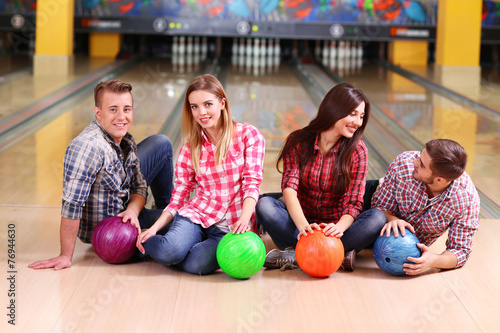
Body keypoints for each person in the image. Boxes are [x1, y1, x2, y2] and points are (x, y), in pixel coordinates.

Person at [29, 80, 174, 270]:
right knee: (186, 223)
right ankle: (164, 222)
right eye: (113, 109)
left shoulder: (125, 140)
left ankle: (166, 209)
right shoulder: (87, 147)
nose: (121, 116)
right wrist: (65, 255)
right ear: (98, 113)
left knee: (160, 143)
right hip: (110, 229)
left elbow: (139, 187)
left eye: (127, 109)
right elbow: (72, 205)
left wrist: (132, 210)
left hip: (126, 210)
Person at [136, 74, 266, 276]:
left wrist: (244, 218)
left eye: (208, 104)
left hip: (229, 230)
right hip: (196, 216)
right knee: (171, 251)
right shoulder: (190, 149)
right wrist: (154, 228)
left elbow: (252, 183)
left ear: (222, 103)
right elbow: (178, 198)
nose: (201, 112)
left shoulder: (249, 136)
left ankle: (172, 245)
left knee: (195, 265)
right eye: (194, 106)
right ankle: (146, 240)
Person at [255, 83, 386, 271]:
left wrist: (339, 228)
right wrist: (303, 227)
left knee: (377, 218)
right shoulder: (298, 141)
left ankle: (297, 255)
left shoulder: (358, 151)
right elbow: (289, 188)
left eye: (362, 116)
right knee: (265, 205)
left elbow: (354, 202)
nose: (358, 122)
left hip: (335, 229)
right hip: (300, 224)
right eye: (352, 114)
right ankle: (334, 255)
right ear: (334, 109)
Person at [370, 139, 480, 275]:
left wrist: (433, 261)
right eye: (419, 156)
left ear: (439, 180)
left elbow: (460, 251)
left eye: (421, 165)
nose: (414, 162)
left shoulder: (466, 200)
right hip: (371, 203)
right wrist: (392, 218)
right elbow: (379, 206)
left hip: (397, 243)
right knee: (372, 219)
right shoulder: (404, 164)